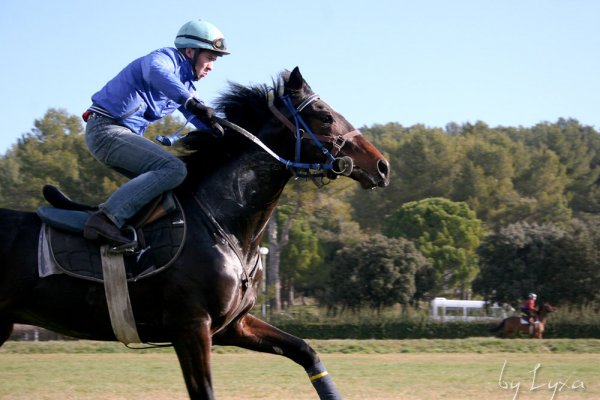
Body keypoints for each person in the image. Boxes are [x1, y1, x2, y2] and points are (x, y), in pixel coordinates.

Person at [82, 19, 230, 247]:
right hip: (105, 130)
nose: (211, 66)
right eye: (209, 58)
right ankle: (105, 219)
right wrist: (190, 102)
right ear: (190, 51)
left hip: (116, 135)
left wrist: (226, 133)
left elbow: (202, 118)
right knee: (173, 168)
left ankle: (136, 235)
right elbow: (156, 72)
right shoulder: (164, 58)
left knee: (175, 187)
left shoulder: (186, 86)